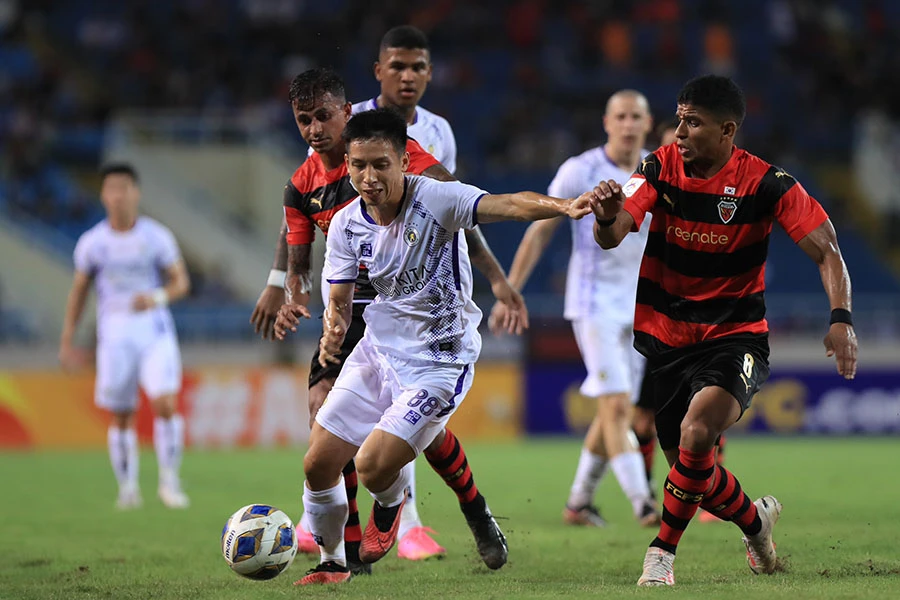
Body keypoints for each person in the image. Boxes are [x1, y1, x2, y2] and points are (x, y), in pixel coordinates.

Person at [274, 108, 592, 585]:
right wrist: (333, 331)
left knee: (372, 466)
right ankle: (334, 563)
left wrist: (564, 206)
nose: (368, 177)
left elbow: (507, 204)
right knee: (317, 464)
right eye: (358, 165)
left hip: (440, 358)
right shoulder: (345, 225)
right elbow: (338, 297)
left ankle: (389, 506)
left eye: (381, 164)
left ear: (405, 160)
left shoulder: (437, 199)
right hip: (379, 349)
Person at [249, 68, 524, 574]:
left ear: (346, 113)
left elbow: (466, 211)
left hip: (416, 312)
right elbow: (299, 258)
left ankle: (466, 509)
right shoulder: (302, 185)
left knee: (416, 434)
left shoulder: (405, 157)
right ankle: (345, 555)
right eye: (303, 120)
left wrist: (498, 280)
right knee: (323, 423)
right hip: (355, 309)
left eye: (323, 117)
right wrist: (289, 293)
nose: (314, 129)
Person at [588, 74, 857, 586]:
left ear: (727, 130)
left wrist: (841, 319)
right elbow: (615, 230)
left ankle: (660, 554)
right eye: (680, 119)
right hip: (668, 340)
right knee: (694, 474)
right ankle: (757, 525)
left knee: (696, 432)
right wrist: (605, 217)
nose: (680, 132)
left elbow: (828, 249)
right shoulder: (658, 167)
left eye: (693, 123)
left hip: (736, 336)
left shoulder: (765, 182)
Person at [495, 90, 660, 528]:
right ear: (607, 122)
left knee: (612, 413)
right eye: (620, 116)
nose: (628, 125)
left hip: (642, 308)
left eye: (635, 117)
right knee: (618, 409)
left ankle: (578, 504)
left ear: (648, 123)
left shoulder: (656, 170)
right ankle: (644, 503)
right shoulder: (580, 170)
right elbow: (540, 232)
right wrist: (512, 287)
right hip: (594, 305)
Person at [348, 25, 461, 559]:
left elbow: (457, 212)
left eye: (417, 66)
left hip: (417, 297)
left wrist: (500, 283)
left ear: (430, 72)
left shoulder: (439, 131)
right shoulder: (350, 122)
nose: (408, 76)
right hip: (357, 279)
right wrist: (289, 277)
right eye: (397, 65)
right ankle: (319, 518)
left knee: (403, 407)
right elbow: (305, 193)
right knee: (333, 404)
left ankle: (408, 522)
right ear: (379, 70)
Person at [59, 163, 191, 510]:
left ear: (136, 192)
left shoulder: (155, 236)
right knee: (121, 413)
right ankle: (128, 488)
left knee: (165, 403)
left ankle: (169, 482)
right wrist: (68, 339)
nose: (118, 195)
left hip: (154, 327)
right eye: (111, 189)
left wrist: (156, 297)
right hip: (114, 333)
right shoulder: (92, 243)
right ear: (103, 195)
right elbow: (79, 293)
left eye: (124, 188)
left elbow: (180, 282)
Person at [634, 118, 727, 524]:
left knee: (702, 414)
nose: (682, 148)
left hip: (702, 326)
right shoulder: (651, 181)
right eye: (674, 143)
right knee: (642, 418)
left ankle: (679, 503)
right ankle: (652, 491)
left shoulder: (716, 198)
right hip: (653, 320)